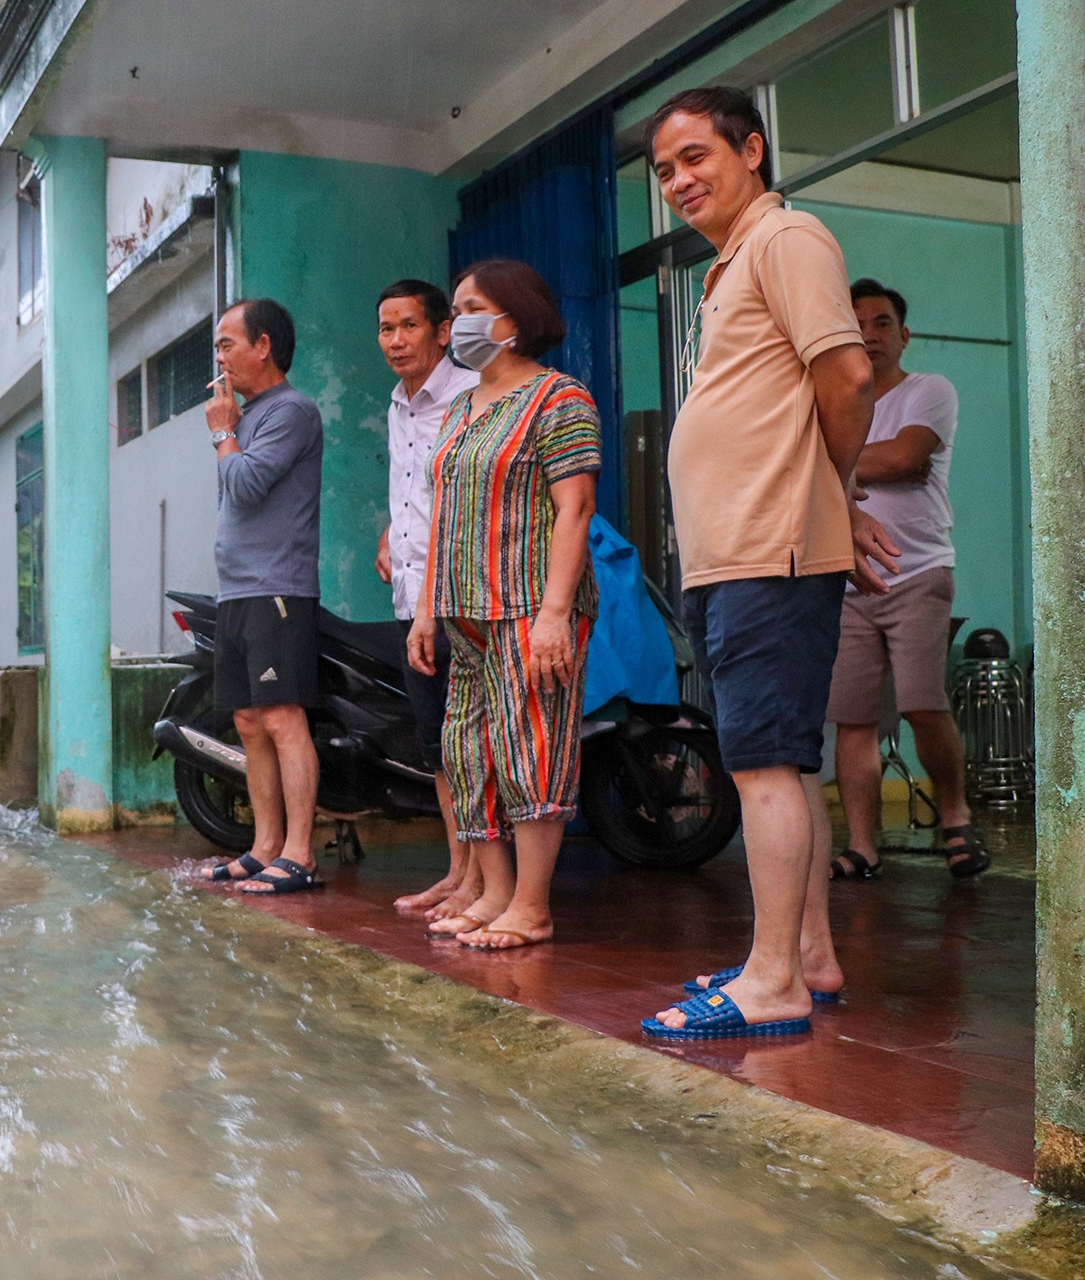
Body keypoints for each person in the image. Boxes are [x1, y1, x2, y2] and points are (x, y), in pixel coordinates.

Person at [642, 87, 898, 1040]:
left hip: (766, 550)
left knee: (762, 767)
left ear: (753, 150)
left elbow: (847, 374)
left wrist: (828, 488)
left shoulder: (787, 239)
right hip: (739, 553)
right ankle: (809, 958)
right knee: (781, 761)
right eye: (666, 171)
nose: (680, 181)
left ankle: (774, 979)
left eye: (698, 157)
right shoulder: (733, 263)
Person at [407, 259, 601, 950]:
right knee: (467, 751)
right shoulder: (461, 408)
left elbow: (575, 509)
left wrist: (554, 614)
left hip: (527, 603)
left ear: (512, 321)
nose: (455, 323)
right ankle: (491, 891)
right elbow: (442, 514)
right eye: (455, 310)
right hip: (463, 609)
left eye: (468, 308)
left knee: (531, 748)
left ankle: (532, 904)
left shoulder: (560, 399)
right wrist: (428, 607)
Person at [827, 279, 988, 880]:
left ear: (904, 334)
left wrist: (829, 463)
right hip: (845, 581)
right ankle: (864, 846)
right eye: (857, 323)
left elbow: (904, 457)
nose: (868, 334)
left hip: (916, 572)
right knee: (854, 718)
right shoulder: (831, 403)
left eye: (882, 322)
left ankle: (955, 816)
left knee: (922, 703)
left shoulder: (930, 390)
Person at [198, 298, 327, 895]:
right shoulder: (247, 418)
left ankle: (300, 852)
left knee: (281, 716)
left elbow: (246, 487)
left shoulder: (291, 412)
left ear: (264, 346)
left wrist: (223, 432)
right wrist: (229, 431)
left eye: (228, 344)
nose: (219, 357)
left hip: (278, 588)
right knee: (249, 720)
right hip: (237, 592)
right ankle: (265, 845)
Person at [371, 279, 487, 929]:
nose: (396, 340)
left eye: (409, 326)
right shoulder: (396, 403)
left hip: (456, 597)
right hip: (408, 593)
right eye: (386, 329)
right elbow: (415, 491)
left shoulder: (470, 395)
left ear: (444, 331)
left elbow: (459, 497)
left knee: (469, 743)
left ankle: (482, 881)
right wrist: (392, 534)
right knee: (437, 745)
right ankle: (458, 872)